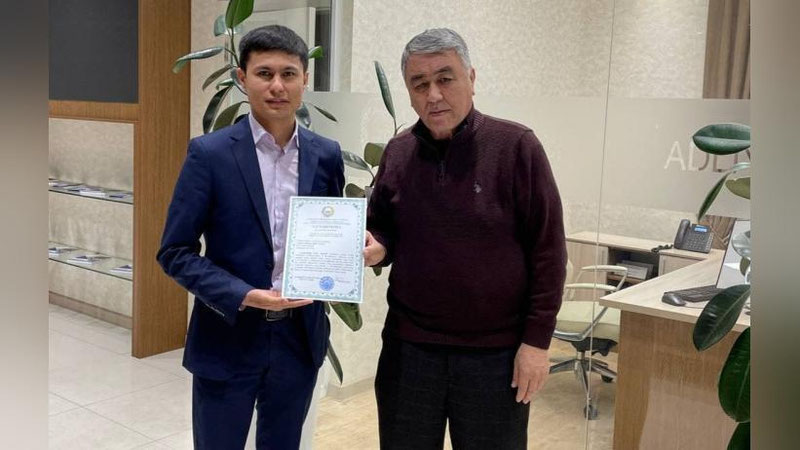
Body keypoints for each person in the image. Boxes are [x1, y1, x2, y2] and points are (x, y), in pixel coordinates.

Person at [362, 28, 567, 449]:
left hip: (495, 356)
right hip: (409, 350)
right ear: (409, 93)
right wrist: (379, 247)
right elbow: (383, 227)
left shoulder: (517, 147)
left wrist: (536, 343)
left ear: (471, 78)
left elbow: (548, 252)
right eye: (420, 84)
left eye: (445, 78)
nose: (434, 95)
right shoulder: (398, 152)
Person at [157, 25, 344, 449]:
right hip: (227, 336)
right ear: (242, 78)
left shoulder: (326, 155)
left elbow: (330, 234)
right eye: (264, 73)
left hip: (298, 340)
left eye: (289, 74)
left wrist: (353, 251)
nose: (277, 86)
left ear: (305, 80)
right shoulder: (209, 154)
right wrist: (244, 294)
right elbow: (175, 252)